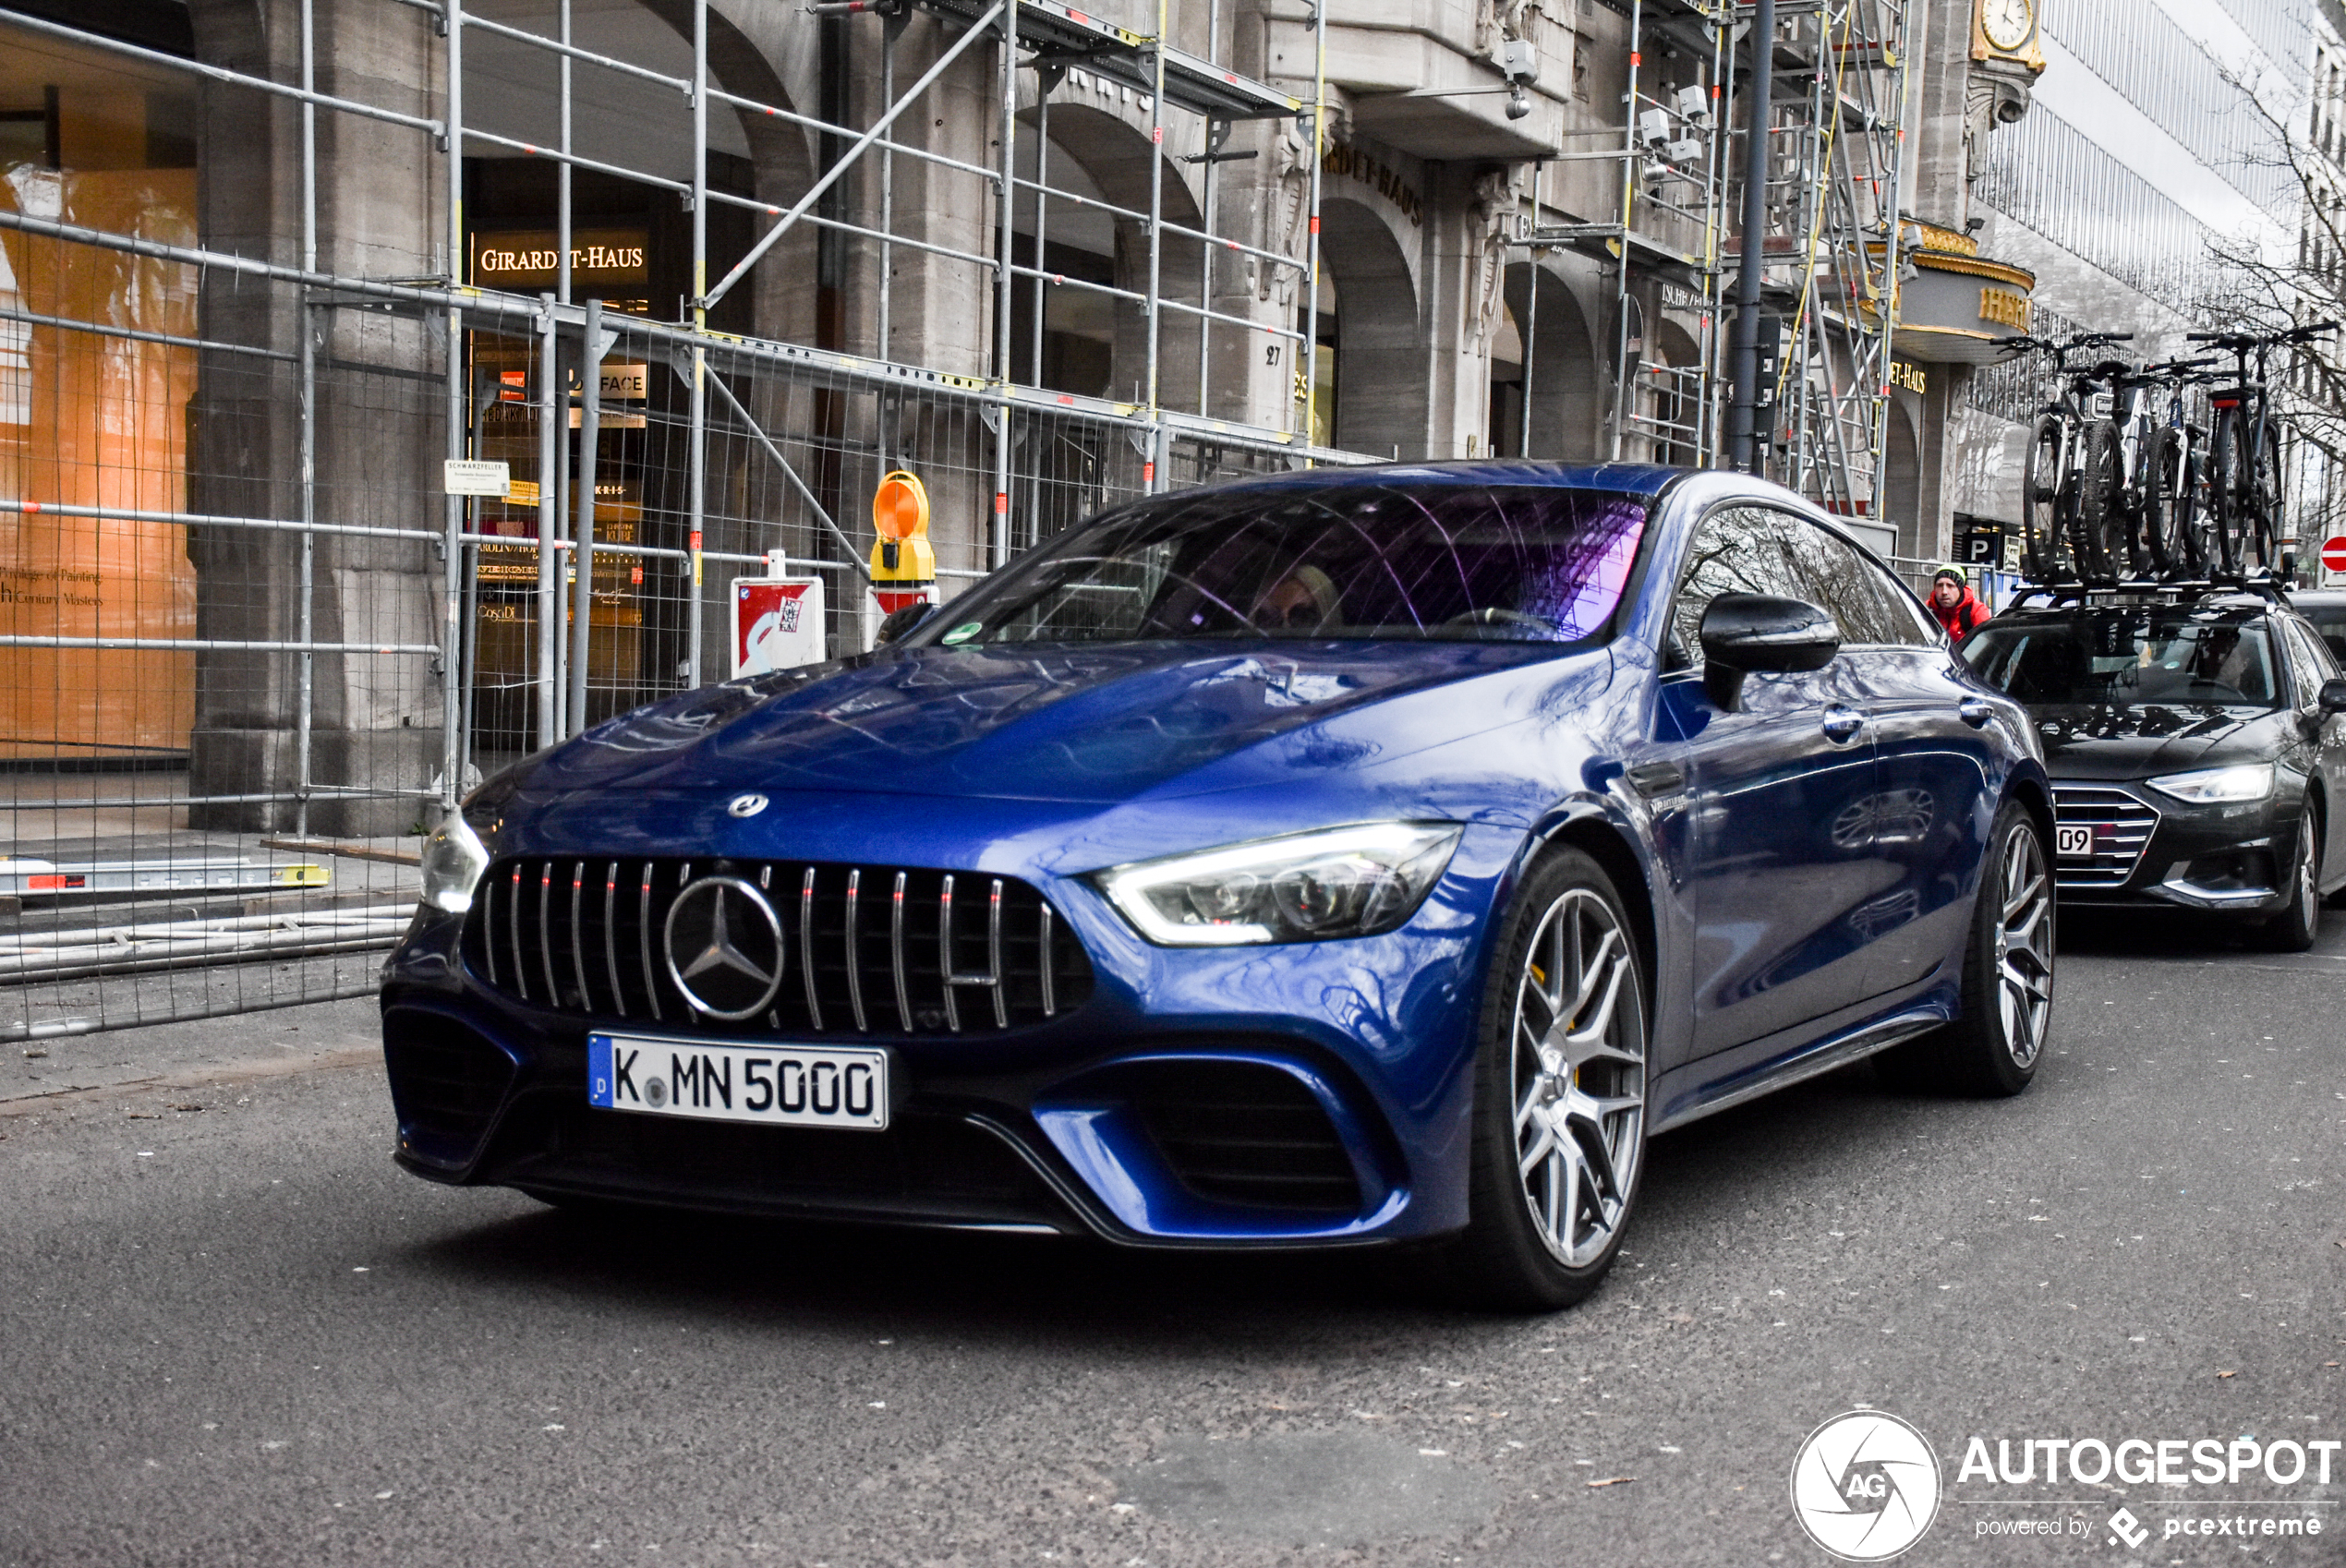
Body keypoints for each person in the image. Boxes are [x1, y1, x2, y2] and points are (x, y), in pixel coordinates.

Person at [1928, 564, 1987, 643]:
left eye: (1950, 586)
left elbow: (1985, 643)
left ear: (1960, 589)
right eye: (1940, 585)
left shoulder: (1976, 610)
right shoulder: (1927, 608)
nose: (1944, 591)